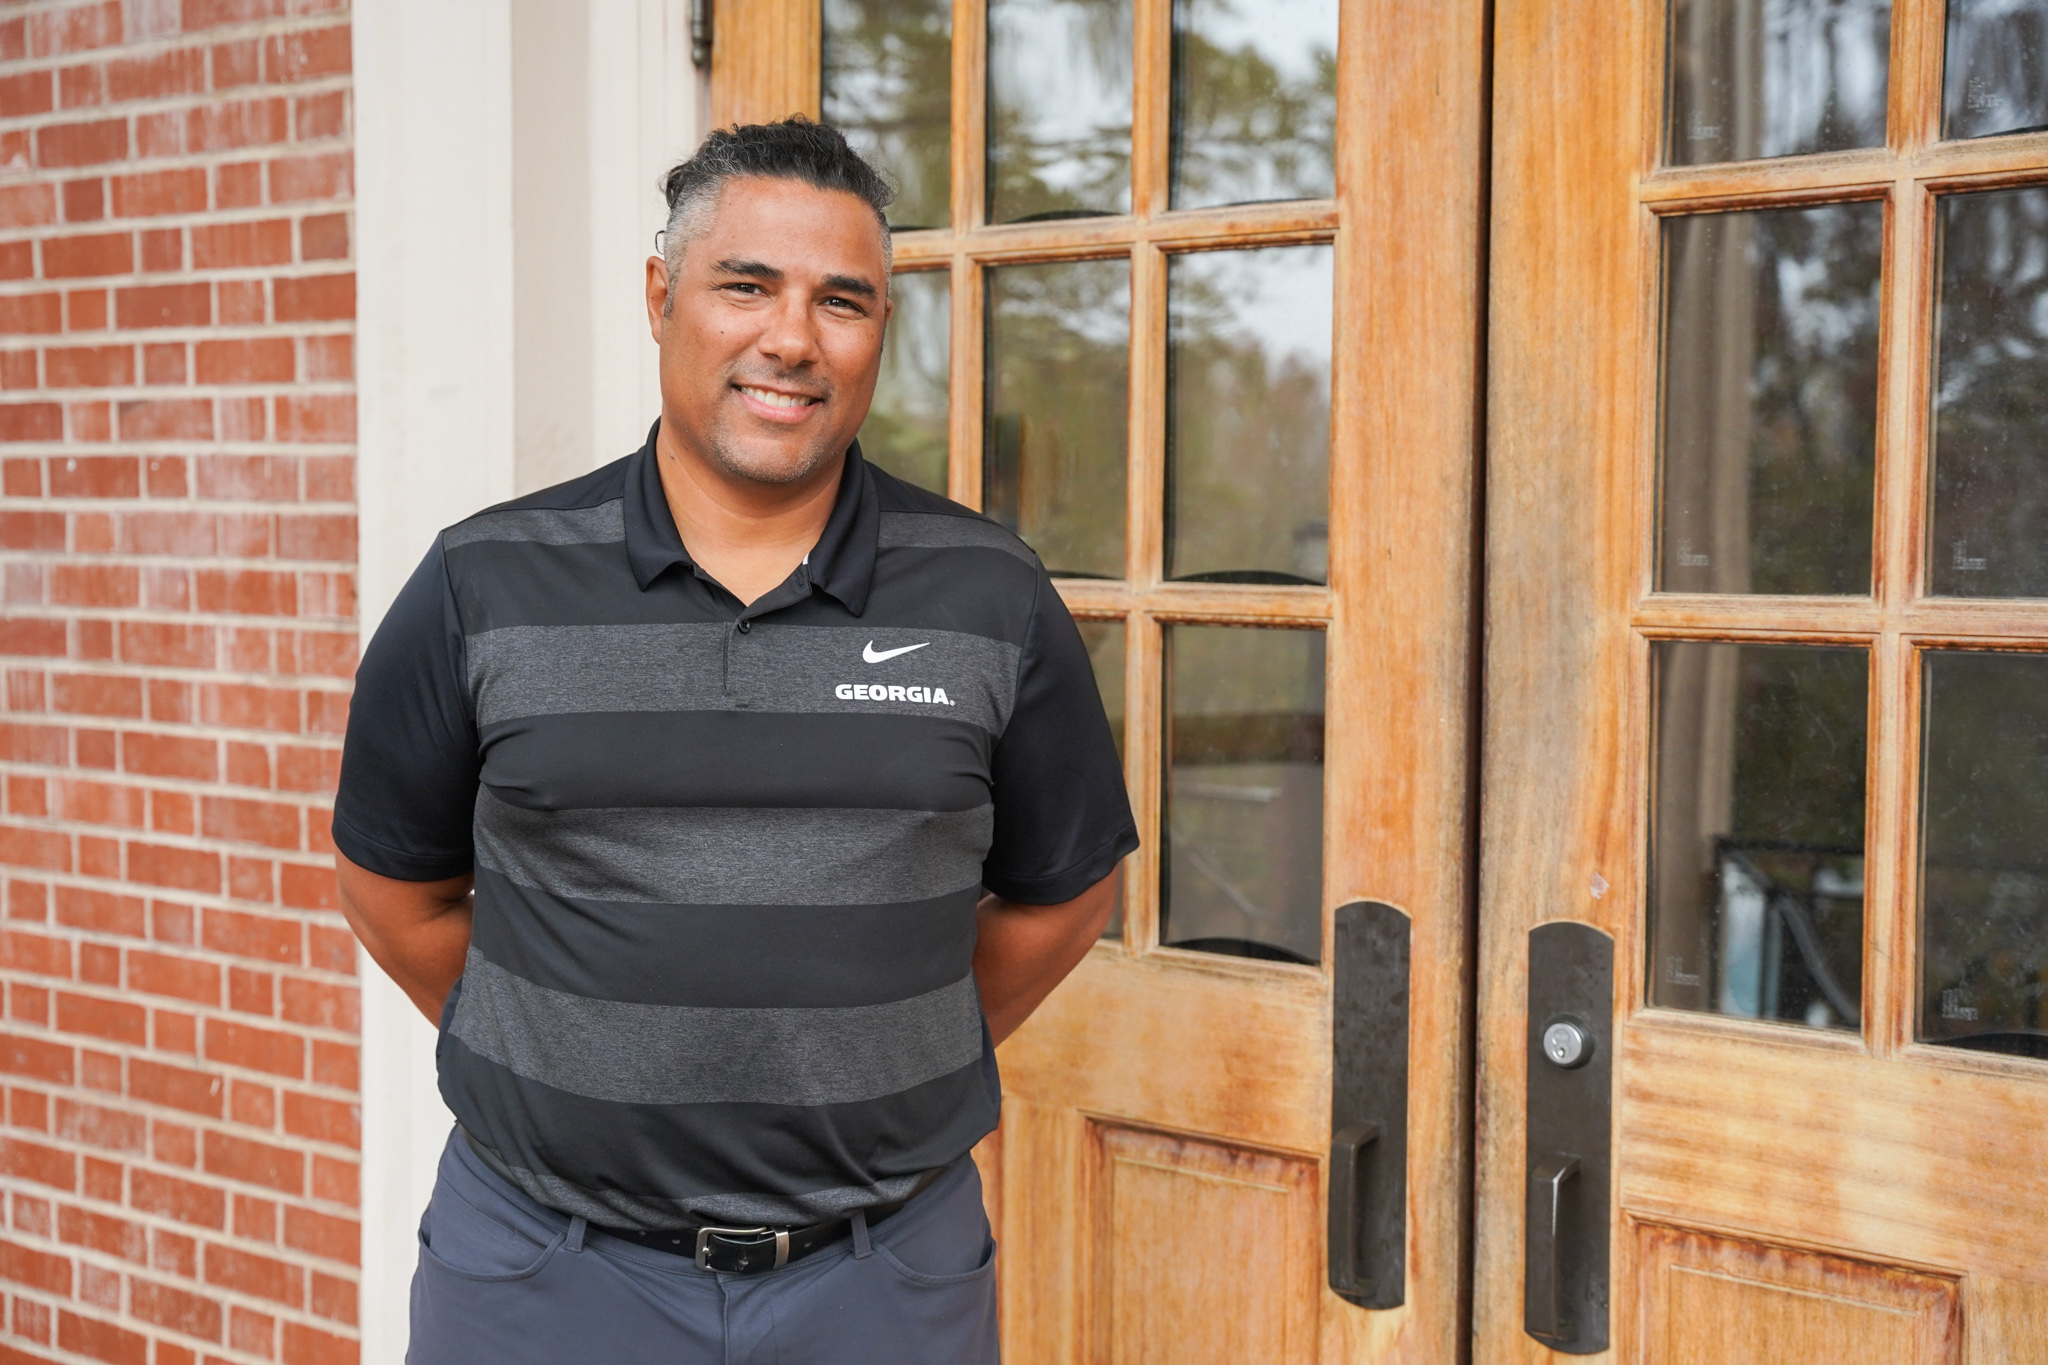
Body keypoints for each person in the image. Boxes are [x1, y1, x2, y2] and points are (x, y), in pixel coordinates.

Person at [332, 118, 1136, 1363]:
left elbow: (1067, 897)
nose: (791, 340)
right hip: (544, 1272)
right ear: (662, 298)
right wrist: (561, 1046)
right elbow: (396, 893)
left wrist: (875, 1056)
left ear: (880, 332)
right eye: (746, 285)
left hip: (882, 1280)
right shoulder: (483, 582)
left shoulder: (989, 593)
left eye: (842, 302)